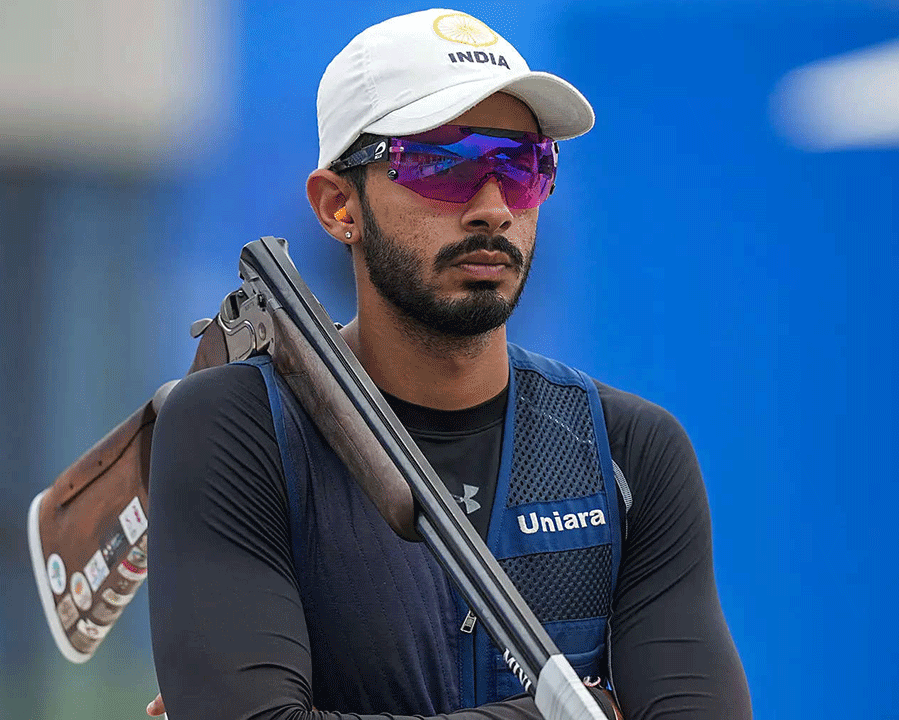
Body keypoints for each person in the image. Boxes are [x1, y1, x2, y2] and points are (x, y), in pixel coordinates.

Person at [145, 9, 751, 719]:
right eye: (445, 164)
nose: (493, 208)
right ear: (339, 206)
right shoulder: (234, 427)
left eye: (522, 167)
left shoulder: (630, 449)